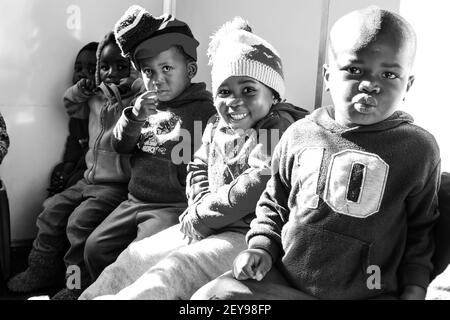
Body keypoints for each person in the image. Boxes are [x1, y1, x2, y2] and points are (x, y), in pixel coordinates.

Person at [192, 6, 441, 300]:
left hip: (370, 292)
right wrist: (260, 247)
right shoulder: (300, 133)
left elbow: (421, 231)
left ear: (408, 84)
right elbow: (275, 201)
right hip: (286, 283)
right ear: (327, 76)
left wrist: (415, 288)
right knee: (211, 298)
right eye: (354, 69)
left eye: (389, 74)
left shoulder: (418, 149)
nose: (370, 84)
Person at [79, 16, 308, 300]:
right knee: (136, 256)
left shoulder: (276, 126)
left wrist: (202, 215)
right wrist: (198, 206)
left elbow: (258, 180)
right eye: (224, 91)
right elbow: (198, 166)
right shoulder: (216, 124)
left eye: (248, 90)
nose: (234, 101)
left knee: (177, 269)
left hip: (248, 235)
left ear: (273, 94)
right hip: (205, 223)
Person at [81, 5, 216, 287]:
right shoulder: (142, 106)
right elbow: (121, 146)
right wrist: (134, 117)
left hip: (171, 207)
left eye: (167, 68)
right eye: (148, 71)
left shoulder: (206, 110)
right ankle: (104, 291)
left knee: (139, 259)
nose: (157, 78)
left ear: (190, 70)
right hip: (134, 200)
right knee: (94, 247)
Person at [7, 31, 142, 300]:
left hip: (114, 186)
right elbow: (69, 102)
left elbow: (146, 93)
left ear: (134, 70)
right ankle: (40, 269)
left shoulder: (134, 102)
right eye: (104, 67)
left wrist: (133, 85)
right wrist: (84, 87)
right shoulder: (94, 99)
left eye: (121, 67)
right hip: (88, 180)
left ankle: (75, 284)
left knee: (78, 224)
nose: (112, 73)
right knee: (50, 210)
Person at [47, 42, 98, 197]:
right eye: (78, 69)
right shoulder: (79, 109)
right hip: (80, 162)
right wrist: (66, 169)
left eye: (91, 70)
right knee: (58, 171)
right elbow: (74, 140)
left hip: (95, 166)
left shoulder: (103, 109)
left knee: (74, 180)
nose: (82, 74)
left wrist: (71, 174)